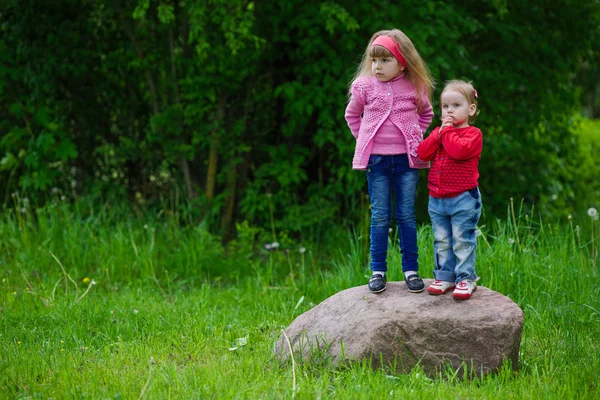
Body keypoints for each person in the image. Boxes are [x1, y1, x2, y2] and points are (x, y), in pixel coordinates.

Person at [345, 29, 434, 294]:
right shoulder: (364, 86)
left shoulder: (414, 86)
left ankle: (411, 270)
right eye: (374, 60)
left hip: (407, 162)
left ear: (402, 63)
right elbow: (352, 116)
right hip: (377, 162)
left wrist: (414, 135)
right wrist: (366, 139)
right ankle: (378, 271)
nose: (377, 66)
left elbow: (426, 114)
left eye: (385, 61)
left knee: (406, 214)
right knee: (381, 215)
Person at [417, 79, 482, 300]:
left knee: (462, 239)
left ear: (470, 109)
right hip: (437, 198)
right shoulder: (440, 133)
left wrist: (445, 133)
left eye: (456, 105)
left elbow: (459, 152)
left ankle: (465, 278)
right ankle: (445, 276)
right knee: (442, 239)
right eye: (445, 106)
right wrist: (437, 134)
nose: (450, 111)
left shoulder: (473, 134)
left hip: (463, 198)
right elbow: (422, 153)